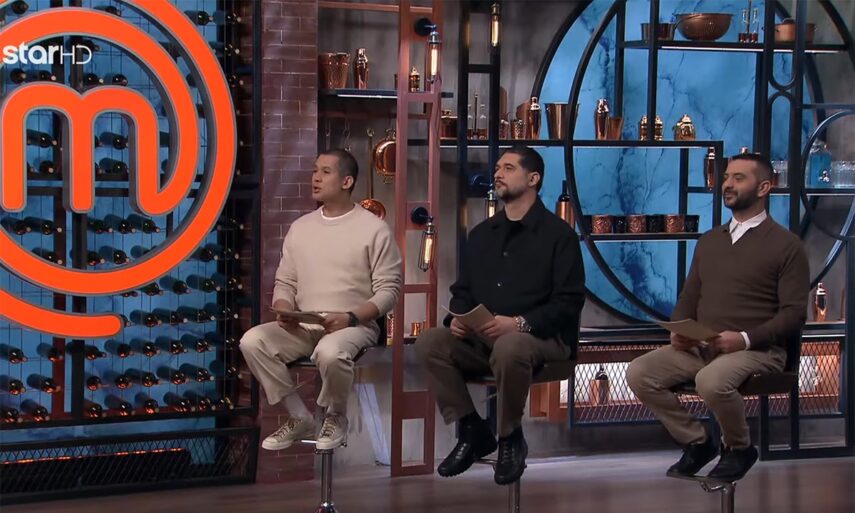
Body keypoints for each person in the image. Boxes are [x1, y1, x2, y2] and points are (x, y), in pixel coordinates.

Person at [627, 152, 809, 481]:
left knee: (710, 381)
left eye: (739, 178)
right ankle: (697, 442)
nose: (727, 184)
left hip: (759, 351)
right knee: (640, 372)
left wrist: (744, 339)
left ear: (764, 187)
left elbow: (794, 315)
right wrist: (679, 330)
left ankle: (739, 448)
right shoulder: (710, 241)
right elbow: (689, 297)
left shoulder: (787, 245)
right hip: (704, 347)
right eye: (726, 177)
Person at [415, 146, 585, 485]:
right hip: (483, 340)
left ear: (533, 179)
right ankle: (472, 429)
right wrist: (458, 319)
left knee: (511, 346)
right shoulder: (481, 235)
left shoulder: (560, 236)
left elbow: (569, 302)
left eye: (508, 168)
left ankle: (510, 437)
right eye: (497, 168)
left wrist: (519, 324)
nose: (497, 173)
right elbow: (462, 292)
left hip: (543, 340)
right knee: (430, 341)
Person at [240, 149, 402, 451]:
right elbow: (285, 281)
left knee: (330, 352)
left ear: (346, 181)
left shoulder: (374, 229)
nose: (315, 177)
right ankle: (299, 416)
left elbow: (389, 292)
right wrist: (285, 308)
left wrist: (350, 317)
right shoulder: (301, 228)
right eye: (315, 170)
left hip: (354, 325)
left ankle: (336, 415)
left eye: (325, 172)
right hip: (305, 324)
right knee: (252, 341)